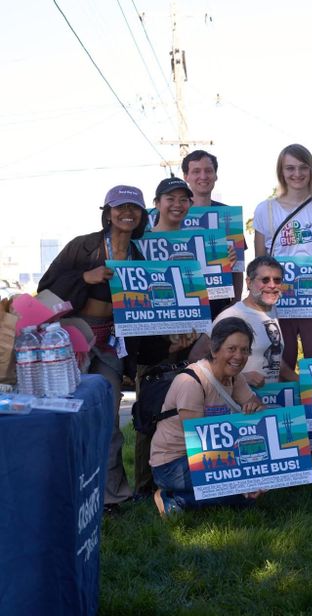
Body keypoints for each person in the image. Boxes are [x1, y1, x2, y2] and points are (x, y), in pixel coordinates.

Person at [37, 184, 148, 513]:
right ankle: (62, 488)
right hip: (75, 338)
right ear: (108, 212)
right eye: (120, 207)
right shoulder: (82, 247)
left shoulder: (138, 255)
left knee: (108, 418)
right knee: (66, 413)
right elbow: (46, 288)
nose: (127, 213)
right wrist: (86, 277)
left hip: (112, 345)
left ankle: (111, 495)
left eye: (134, 208)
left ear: (141, 215)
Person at [149, 318, 266, 515]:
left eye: (244, 350)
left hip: (209, 454)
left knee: (255, 484)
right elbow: (199, 443)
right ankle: (172, 499)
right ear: (214, 350)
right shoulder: (191, 382)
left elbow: (261, 412)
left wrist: (255, 407)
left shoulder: (234, 376)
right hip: (173, 463)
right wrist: (240, 478)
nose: (239, 356)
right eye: (232, 349)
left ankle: (217, 492)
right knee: (242, 495)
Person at [131, 176, 201, 498]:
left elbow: (211, 290)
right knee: (150, 407)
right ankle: (145, 487)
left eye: (183, 199)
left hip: (189, 333)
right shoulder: (139, 243)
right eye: (169, 198)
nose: (176, 204)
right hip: (151, 337)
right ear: (157, 204)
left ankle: (181, 475)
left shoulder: (199, 243)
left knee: (185, 407)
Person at [252, 144, 312, 368]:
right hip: (278, 301)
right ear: (281, 172)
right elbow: (259, 264)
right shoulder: (265, 209)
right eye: (290, 168)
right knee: (277, 367)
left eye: (303, 167)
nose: (297, 174)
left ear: (311, 169)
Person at [212, 255, 297, 386]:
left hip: (269, 403)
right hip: (240, 403)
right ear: (249, 282)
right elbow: (198, 358)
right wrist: (242, 378)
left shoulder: (272, 311)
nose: (272, 285)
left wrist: (307, 385)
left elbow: (277, 363)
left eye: (277, 280)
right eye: (265, 280)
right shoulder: (232, 315)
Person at [182, 149, 245, 316]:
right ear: (185, 176)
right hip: (183, 302)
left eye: (208, 171)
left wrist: (236, 302)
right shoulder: (174, 214)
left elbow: (238, 268)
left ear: (216, 175)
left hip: (220, 302)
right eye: (196, 171)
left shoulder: (229, 216)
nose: (203, 176)